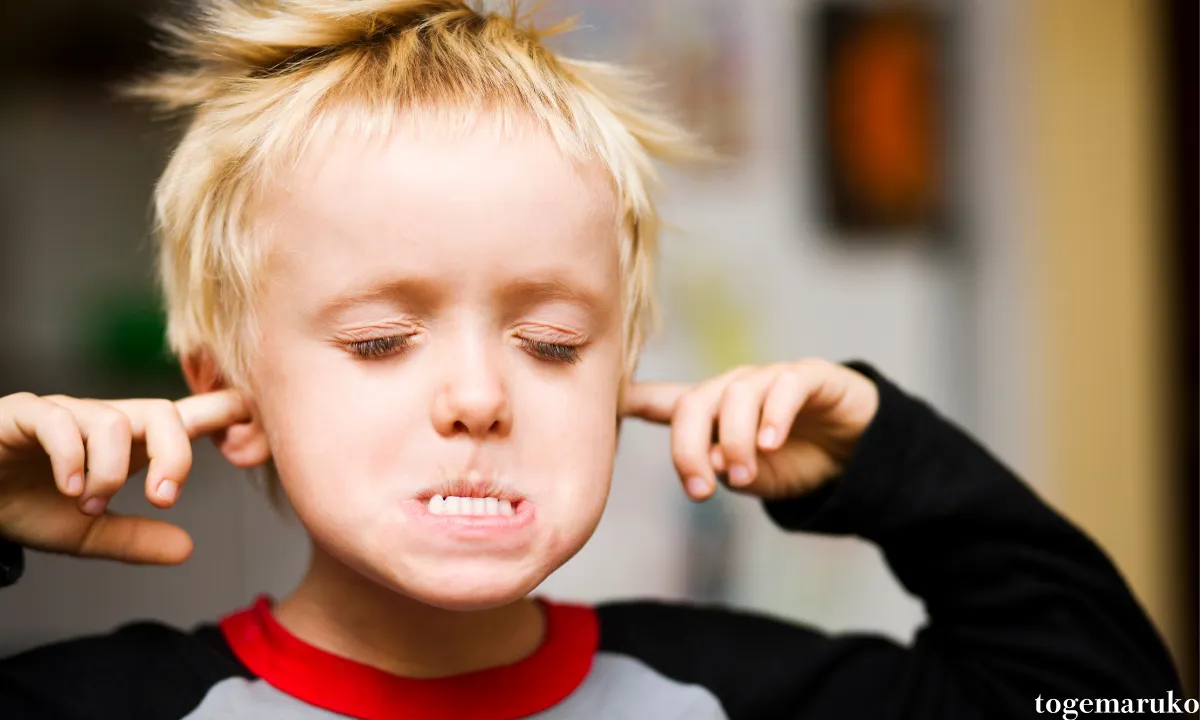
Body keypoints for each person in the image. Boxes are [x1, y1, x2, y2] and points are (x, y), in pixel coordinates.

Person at [0, 1, 1185, 718]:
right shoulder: (99, 706)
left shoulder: (748, 695)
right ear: (225, 395)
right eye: (378, 341)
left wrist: (899, 465)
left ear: (619, 376)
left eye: (552, 343)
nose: (477, 397)